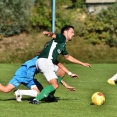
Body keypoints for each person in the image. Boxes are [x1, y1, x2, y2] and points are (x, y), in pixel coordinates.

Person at [30, 25, 91, 104]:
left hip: (47, 62)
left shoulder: (63, 44)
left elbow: (67, 57)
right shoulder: (62, 37)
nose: (73, 34)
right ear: (65, 32)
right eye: (72, 32)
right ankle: (36, 100)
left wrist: (82, 64)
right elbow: (55, 35)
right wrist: (50, 33)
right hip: (45, 62)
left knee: (61, 73)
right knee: (54, 85)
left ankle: (50, 96)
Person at [0, 51, 77, 102]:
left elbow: (53, 76)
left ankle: (20, 92)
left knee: (41, 93)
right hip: (21, 75)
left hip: (29, 78)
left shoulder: (44, 60)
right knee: (5, 89)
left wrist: (66, 85)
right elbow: (52, 76)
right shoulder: (42, 61)